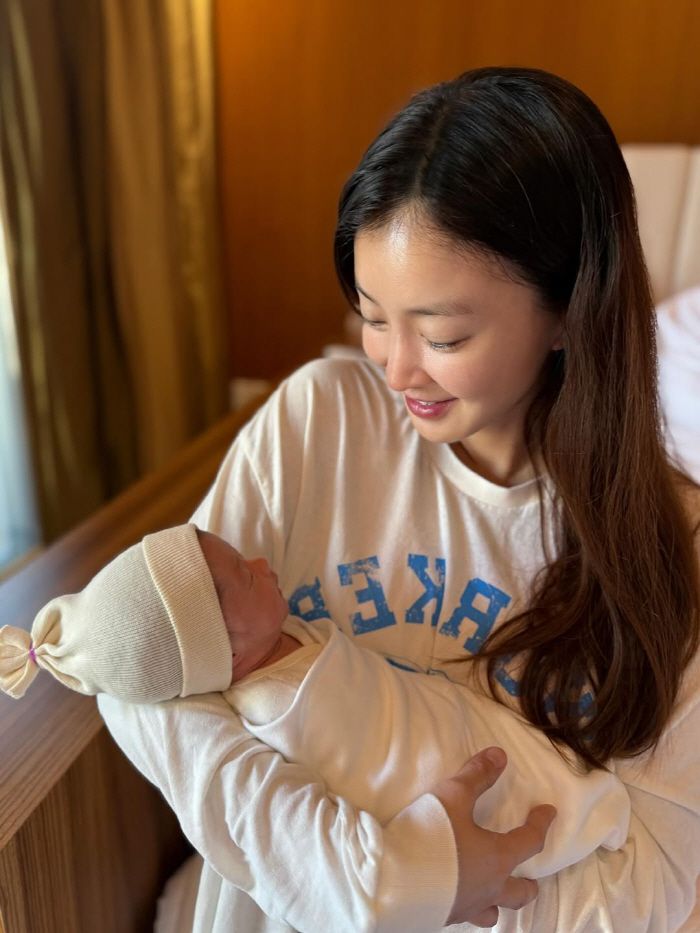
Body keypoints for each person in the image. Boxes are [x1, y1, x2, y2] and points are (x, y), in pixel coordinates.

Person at [96, 66, 700, 932]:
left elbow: (655, 879)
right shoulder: (320, 424)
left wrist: (458, 894)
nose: (396, 369)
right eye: (374, 317)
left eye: (443, 335)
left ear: (572, 309)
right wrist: (364, 881)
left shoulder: (675, 545)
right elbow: (145, 671)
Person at [0, 522, 629, 882]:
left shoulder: (283, 642)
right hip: (444, 781)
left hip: (456, 719)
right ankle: (580, 813)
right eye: (245, 575)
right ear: (227, 653)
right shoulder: (281, 705)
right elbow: (383, 768)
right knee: (528, 796)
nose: (261, 561)